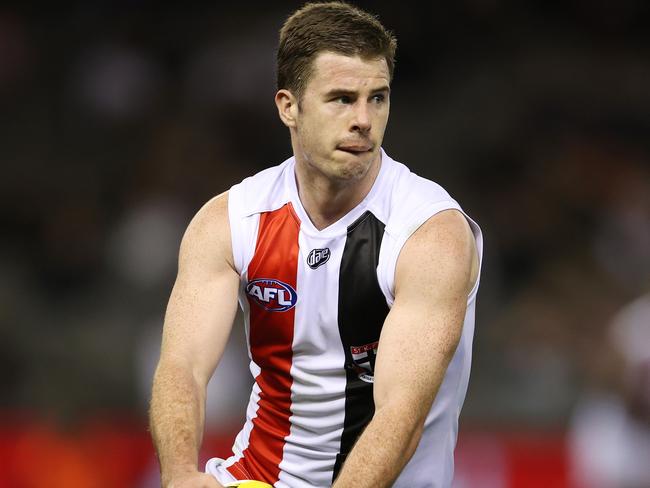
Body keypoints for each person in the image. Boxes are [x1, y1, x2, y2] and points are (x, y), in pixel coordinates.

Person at [149, 2, 483, 487]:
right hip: (256, 477)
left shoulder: (429, 234)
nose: (364, 120)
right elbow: (183, 366)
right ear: (289, 106)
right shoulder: (231, 221)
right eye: (342, 99)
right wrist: (179, 476)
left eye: (378, 98)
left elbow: (400, 416)